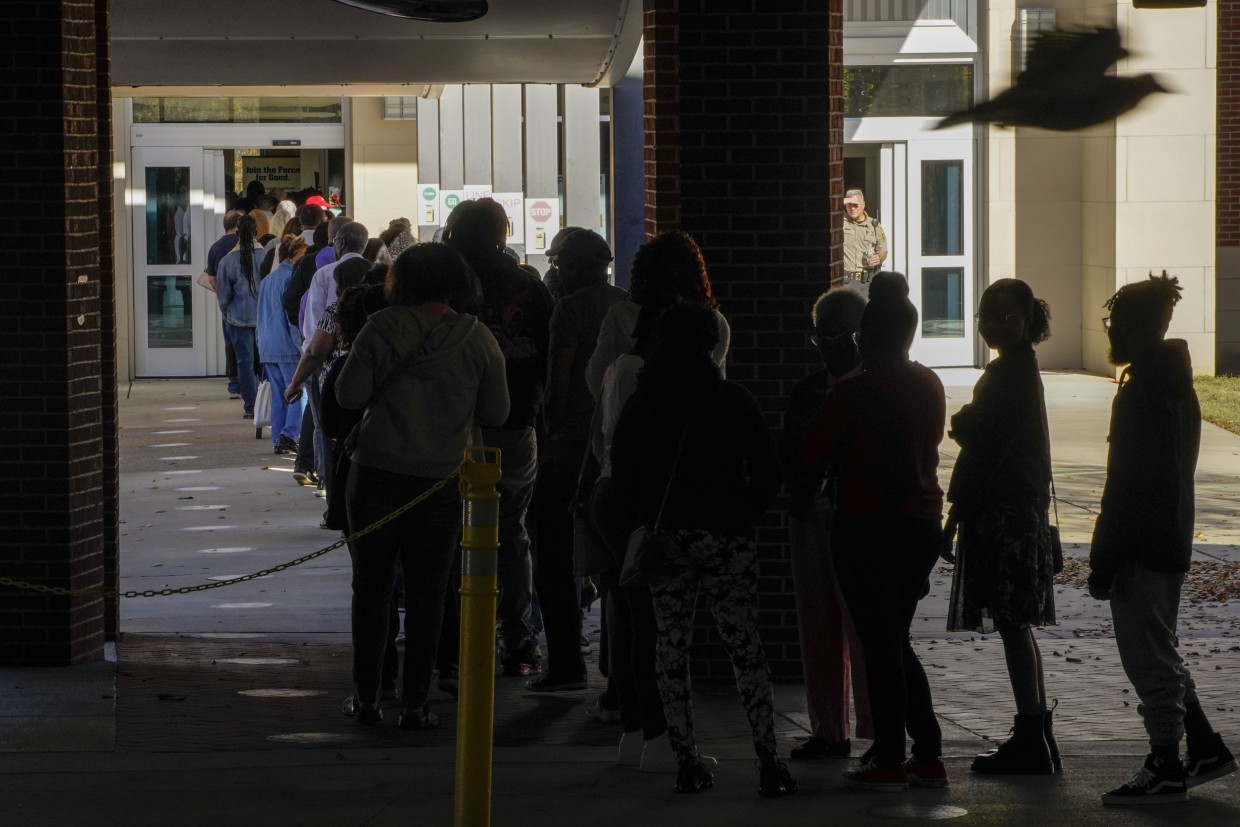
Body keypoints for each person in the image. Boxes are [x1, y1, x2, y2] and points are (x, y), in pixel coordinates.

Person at [611, 302, 795, 798]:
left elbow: (623, 480)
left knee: (671, 647)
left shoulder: (643, 404)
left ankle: (686, 762)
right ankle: (768, 760)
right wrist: (741, 514)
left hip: (667, 541)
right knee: (745, 646)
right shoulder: (732, 399)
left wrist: (648, 520)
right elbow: (769, 472)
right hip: (726, 537)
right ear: (711, 345)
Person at [334, 242, 509, 729]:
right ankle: (415, 704)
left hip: (376, 475)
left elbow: (348, 396)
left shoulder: (380, 327)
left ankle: (368, 697)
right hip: (441, 481)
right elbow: (497, 412)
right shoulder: (477, 337)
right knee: (430, 592)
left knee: (371, 588)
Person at [1089, 272, 1237, 805]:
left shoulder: (1142, 393)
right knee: (1160, 649)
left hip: (1140, 545)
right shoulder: (1174, 383)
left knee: (1149, 661)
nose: (1110, 330)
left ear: (1135, 326)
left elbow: (1126, 484)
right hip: (1168, 535)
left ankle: (1166, 765)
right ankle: (1203, 745)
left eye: (1115, 321)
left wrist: (1104, 557)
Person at [805, 272, 947, 792]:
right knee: (893, 639)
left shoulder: (853, 393)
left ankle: (891, 755)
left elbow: (811, 457)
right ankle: (925, 752)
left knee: (880, 643)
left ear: (867, 337)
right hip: (921, 523)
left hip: (865, 525)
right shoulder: (929, 383)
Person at [943, 278, 1059, 775]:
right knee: (1017, 625)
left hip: (1004, 516)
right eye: (986, 315)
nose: (992, 325)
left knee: (1012, 625)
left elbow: (983, 439)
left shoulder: (1009, 373)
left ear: (1027, 320)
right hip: (1015, 512)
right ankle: (1036, 731)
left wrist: (965, 423)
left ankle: (1031, 734)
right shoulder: (1017, 369)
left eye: (1004, 316)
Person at [445, 198, 555, 678]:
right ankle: (517, 639)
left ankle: (454, 639)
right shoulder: (529, 286)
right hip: (516, 420)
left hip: (451, 422)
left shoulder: (445, 286)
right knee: (511, 531)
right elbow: (549, 356)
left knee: (450, 530)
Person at [779, 287, 873, 761]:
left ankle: (872, 732)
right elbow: (790, 455)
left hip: (854, 518)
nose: (824, 347)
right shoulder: (809, 389)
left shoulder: (871, 388)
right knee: (818, 625)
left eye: (832, 337)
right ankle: (830, 729)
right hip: (813, 518)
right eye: (819, 338)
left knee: (861, 629)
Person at [532, 229, 627, 693]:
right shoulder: (626, 305)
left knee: (552, 553)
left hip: (570, 444)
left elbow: (559, 376)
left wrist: (549, 429)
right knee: (613, 563)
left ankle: (566, 663)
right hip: (616, 445)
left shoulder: (570, 308)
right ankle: (615, 668)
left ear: (571, 266)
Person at [584, 230, 730, 402]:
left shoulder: (620, 315)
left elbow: (596, 376)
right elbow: (717, 382)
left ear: (645, 272)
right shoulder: (715, 321)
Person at [257, 234, 309, 455]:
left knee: (279, 395)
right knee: (297, 392)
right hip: (287, 346)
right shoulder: (292, 280)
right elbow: (291, 319)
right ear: (294, 254)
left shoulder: (267, 281)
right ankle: (290, 434)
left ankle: (278, 439)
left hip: (268, 345)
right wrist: (303, 347)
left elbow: (260, 315)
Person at [214, 215, 265, 418]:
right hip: (264, 318)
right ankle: (266, 405)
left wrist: (227, 313)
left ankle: (251, 407)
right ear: (256, 232)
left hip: (238, 319)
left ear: (237, 233)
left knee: (245, 363)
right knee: (264, 362)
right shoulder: (267, 256)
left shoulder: (227, 261)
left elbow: (223, 295)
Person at [205, 209, 245, 399]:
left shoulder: (215, 247)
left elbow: (211, 279)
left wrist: (223, 296)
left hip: (228, 306)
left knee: (231, 344)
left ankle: (234, 383)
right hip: (248, 303)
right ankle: (249, 383)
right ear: (238, 226)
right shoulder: (246, 245)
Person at [839, 189, 887, 295]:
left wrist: (878, 258)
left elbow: (883, 250)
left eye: (856, 205)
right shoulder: (839, 222)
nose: (852, 208)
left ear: (863, 205)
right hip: (846, 282)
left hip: (867, 282)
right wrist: (844, 200)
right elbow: (830, 206)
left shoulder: (874, 225)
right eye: (849, 205)